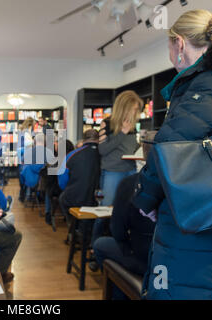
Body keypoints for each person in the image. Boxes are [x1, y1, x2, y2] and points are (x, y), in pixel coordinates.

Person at [132, 8, 212, 300]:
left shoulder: (205, 86)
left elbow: (169, 146)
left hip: (196, 226)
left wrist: (144, 198)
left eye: (168, 46)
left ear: (179, 44)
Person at [92, 131, 157, 299]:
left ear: (142, 151)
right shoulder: (182, 184)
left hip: (144, 258)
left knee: (100, 245)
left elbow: (118, 231)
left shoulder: (130, 184)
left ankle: (123, 291)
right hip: (176, 259)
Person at [89, 90, 142, 270]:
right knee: (104, 212)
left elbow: (130, 148)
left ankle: (117, 252)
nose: (134, 114)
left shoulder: (133, 127)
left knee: (125, 214)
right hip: (112, 172)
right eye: (133, 110)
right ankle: (95, 251)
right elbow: (102, 150)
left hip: (130, 172)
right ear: (124, 107)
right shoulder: (108, 123)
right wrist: (122, 133)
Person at [58, 129, 101, 222]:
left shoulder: (72, 155)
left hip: (75, 198)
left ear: (83, 139)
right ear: (99, 139)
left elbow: (62, 181)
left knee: (62, 198)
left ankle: (73, 228)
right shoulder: (105, 154)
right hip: (98, 200)